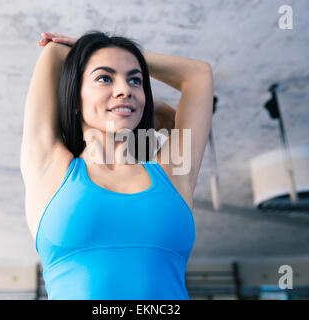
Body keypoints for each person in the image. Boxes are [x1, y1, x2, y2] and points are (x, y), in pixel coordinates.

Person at [20, 30, 213, 300]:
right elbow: (54, 52)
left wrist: (115, 58)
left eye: (135, 80)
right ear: (75, 99)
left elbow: (198, 75)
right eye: (104, 78)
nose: (124, 89)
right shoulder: (50, 167)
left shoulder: (173, 172)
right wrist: (85, 51)